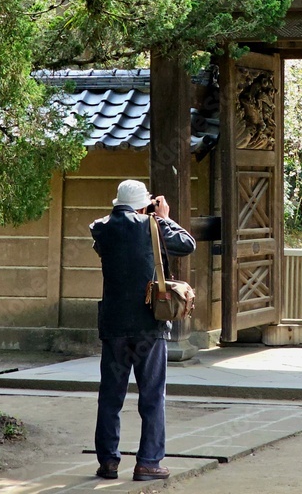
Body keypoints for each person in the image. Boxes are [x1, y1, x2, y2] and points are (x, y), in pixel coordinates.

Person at [90, 179, 195, 482]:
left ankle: (108, 462)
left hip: (113, 325)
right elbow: (187, 244)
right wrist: (163, 216)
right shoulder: (153, 226)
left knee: (111, 395)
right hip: (149, 323)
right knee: (151, 396)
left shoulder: (100, 227)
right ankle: (148, 462)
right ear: (143, 203)